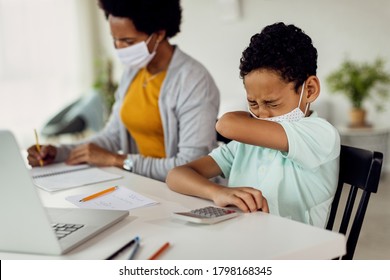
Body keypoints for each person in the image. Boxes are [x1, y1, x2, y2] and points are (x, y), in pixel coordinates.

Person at [166, 22, 340, 227]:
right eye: (253, 103)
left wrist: (242, 118)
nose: (262, 114)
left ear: (309, 90)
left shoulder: (321, 134)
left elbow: (225, 125)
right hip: (242, 239)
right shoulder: (245, 144)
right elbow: (176, 176)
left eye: (272, 103)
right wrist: (218, 192)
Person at [27, 0, 220, 182]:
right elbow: (112, 136)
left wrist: (117, 160)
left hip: (184, 194)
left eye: (128, 42)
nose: (119, 48)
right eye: (115, 39)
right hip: (143, 185)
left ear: (159, 34)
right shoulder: (133, 72)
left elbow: (192, 166)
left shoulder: (194, 81)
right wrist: (60, 153)